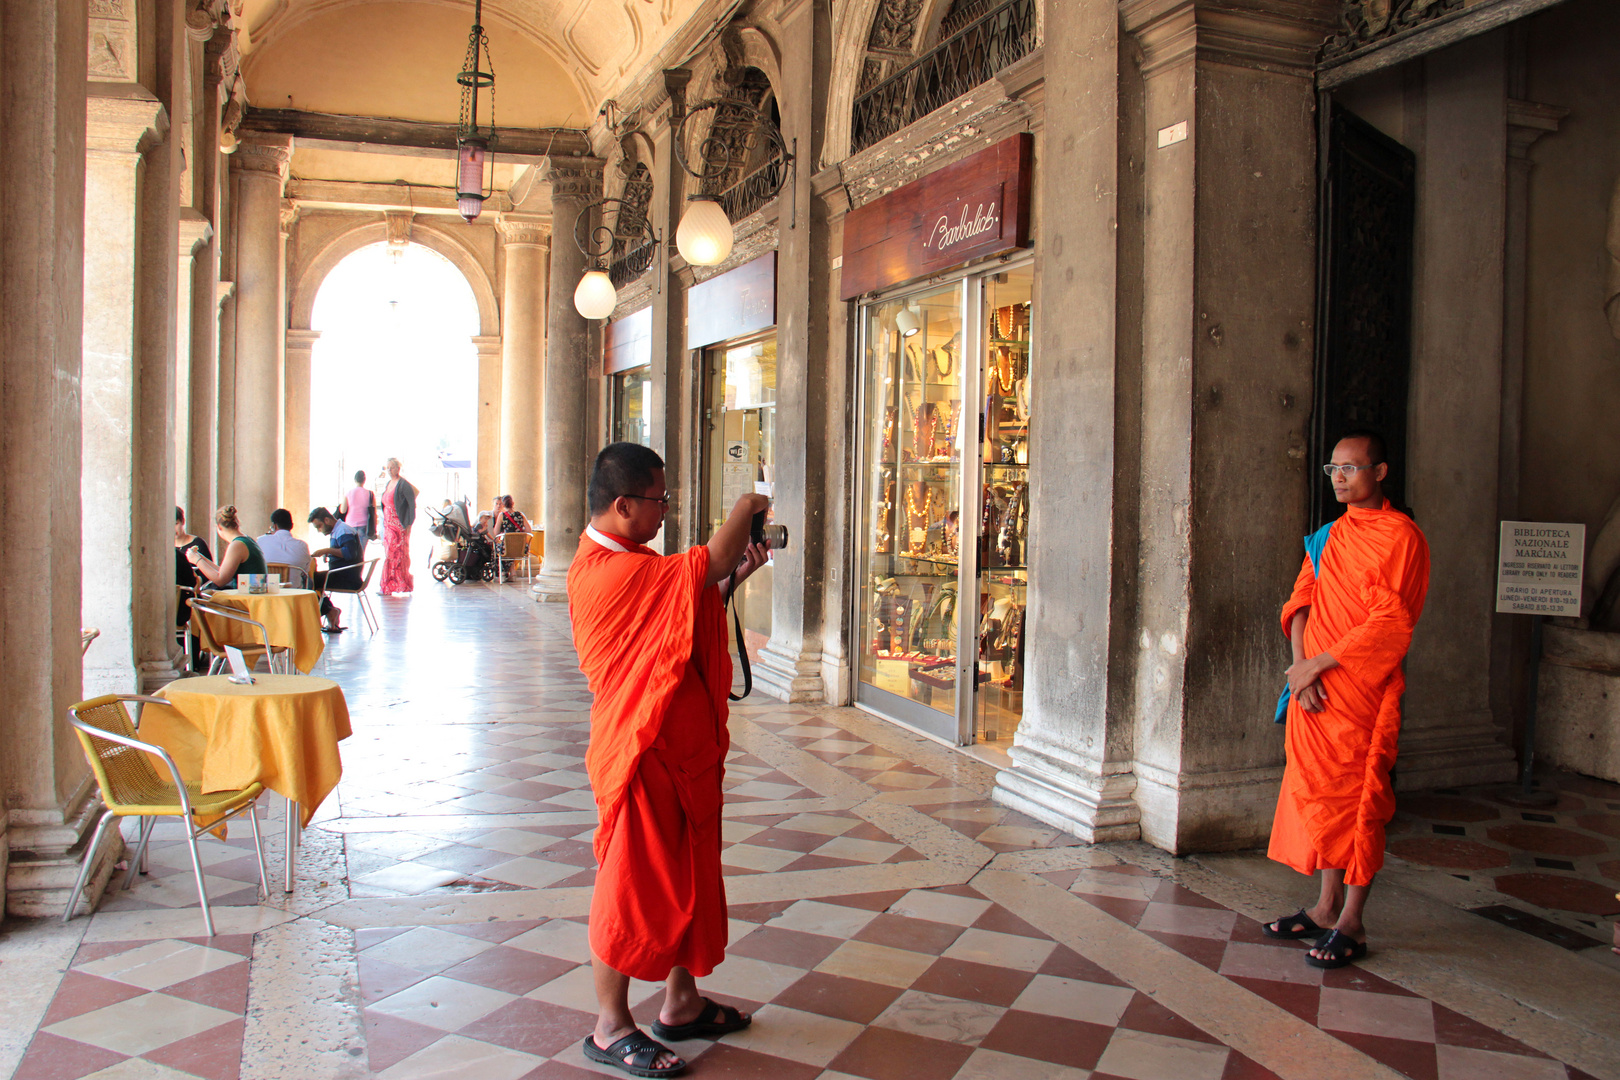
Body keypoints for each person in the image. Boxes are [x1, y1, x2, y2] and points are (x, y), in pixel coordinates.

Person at [568, 443, 769, 1077]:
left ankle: (680, 1003)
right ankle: (609, 1025)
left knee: (684, 874)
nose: (664, 512)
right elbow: (701, 563)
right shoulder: (608, 571)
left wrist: (734, 578)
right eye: (660, 500)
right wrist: (753, 501)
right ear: (623, 504)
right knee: (629, 887)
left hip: (678, 752)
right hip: (639, 751)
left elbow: (685, 605)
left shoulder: (636, 559)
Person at [1264, 431, 1430, 969]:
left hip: (1362, 690)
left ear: (1379, 473)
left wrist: (1320, 664)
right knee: (1321, 795)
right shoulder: (1328, 537)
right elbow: (1300, 603)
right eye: (1332, 469)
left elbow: (1391, 624)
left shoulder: (1400, 537)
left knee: (1358, 801)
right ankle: (1323, 906)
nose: (1339, 477)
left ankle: (1352, 922)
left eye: (1350, 468)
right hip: (1313, 691)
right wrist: (1301, 671)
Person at [308, 506, 364, 633]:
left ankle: (329, 611)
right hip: (341, 574)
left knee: (308, 581)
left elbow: (349, 554)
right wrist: (331, 554)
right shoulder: (338, 530)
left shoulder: (343, 531)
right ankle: (330, 611)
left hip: (347, 578)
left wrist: (326, 550)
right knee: (312, 579)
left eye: (319, 526)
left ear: (327, 520)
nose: (318, 530)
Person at [186, 505, 268, 587]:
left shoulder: (237, 545)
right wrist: (201, 557)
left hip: (248, 597)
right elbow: (223, 572)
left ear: (219, 527)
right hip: (254, 592)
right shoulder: (245, 540)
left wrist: (197, 561)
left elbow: (221, 580)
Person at [380, 457, 417, 596]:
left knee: (398, 554)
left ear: (398, 468)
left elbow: (411, 505)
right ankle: (388, 584)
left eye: (392, 467)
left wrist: (408, 523)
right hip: (388, 524)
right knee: (389, 553)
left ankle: (401, 583)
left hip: (399, 524)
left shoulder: (403, 484)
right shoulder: (389, 483)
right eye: (388, 468)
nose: (390, 470)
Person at [259, 508, 312, 580]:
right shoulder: (302, 545)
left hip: (269, 589)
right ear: (292, 526)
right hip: (294, 590)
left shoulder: (261, 541)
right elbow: (305, 571)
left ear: (274, 526)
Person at [337, 470, 377, 542]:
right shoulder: (370, 494)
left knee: (351, 550)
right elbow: (374, 513)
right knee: (361, 551)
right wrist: (375, 528)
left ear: (355, 480)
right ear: (364, 480)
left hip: (350, 524)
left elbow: (342, 510)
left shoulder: (349, 493)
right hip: (364, 525)